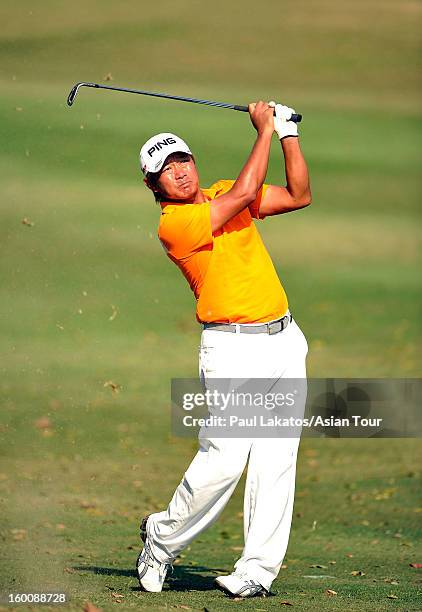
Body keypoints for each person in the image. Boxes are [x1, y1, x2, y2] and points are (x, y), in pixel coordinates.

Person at [136, 101, 311, 598]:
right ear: (154, 187)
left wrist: (288, 134)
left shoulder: (222, 196)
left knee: (277, 460)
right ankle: (161, 538)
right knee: (226, 459)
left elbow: (300, 195)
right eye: (165, 169)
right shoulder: (176, 225)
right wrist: (263, 128)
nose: (179, 171)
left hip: (283, 340)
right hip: (232, 349)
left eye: (182, 159)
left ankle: (256, 571)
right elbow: (246, 191)